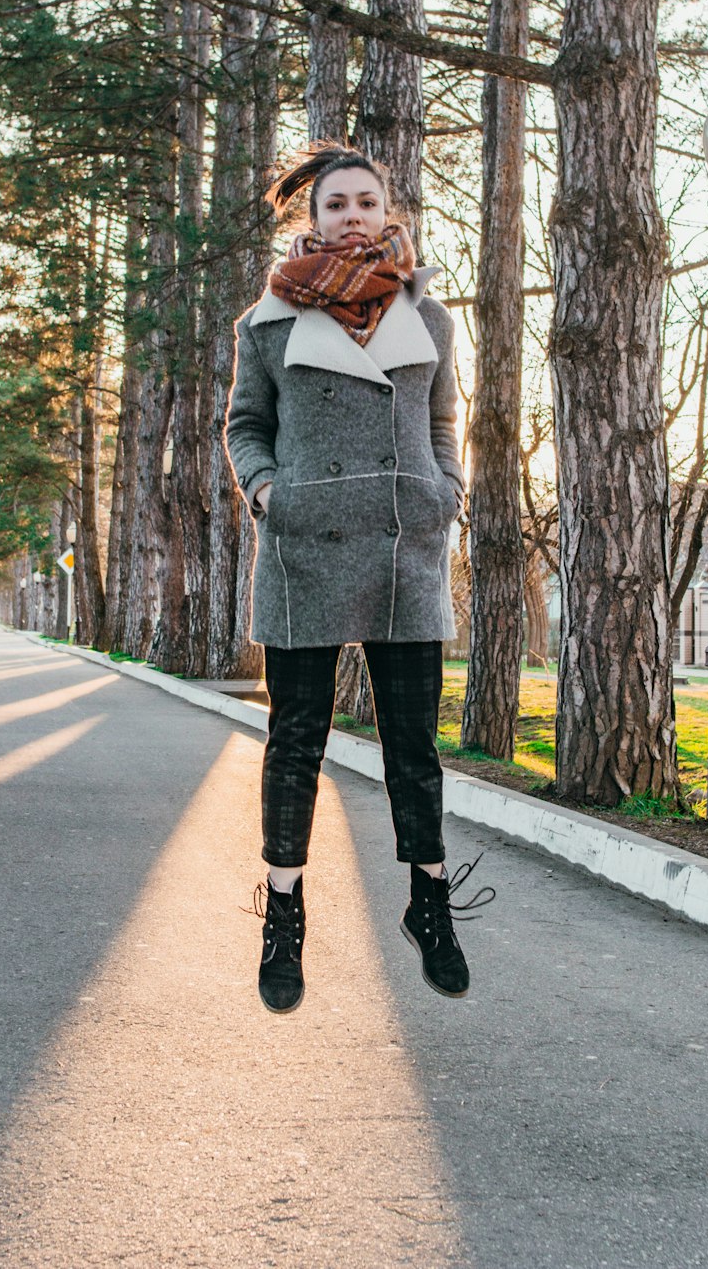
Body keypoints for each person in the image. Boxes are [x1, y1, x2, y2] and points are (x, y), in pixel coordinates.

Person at [224, 141, 493, 1015]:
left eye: (364, 202)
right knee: (295, 742)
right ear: (314, 218)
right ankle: (285, 913)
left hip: (404, 549)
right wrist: (269, 493)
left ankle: (428, 903)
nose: (350, 216)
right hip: (305, 546)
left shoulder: (433, 320)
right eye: (335, 204)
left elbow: (445, 419)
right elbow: (245, 426)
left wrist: (444, 491)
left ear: (388, 212)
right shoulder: (265, 323)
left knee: (413, 747)